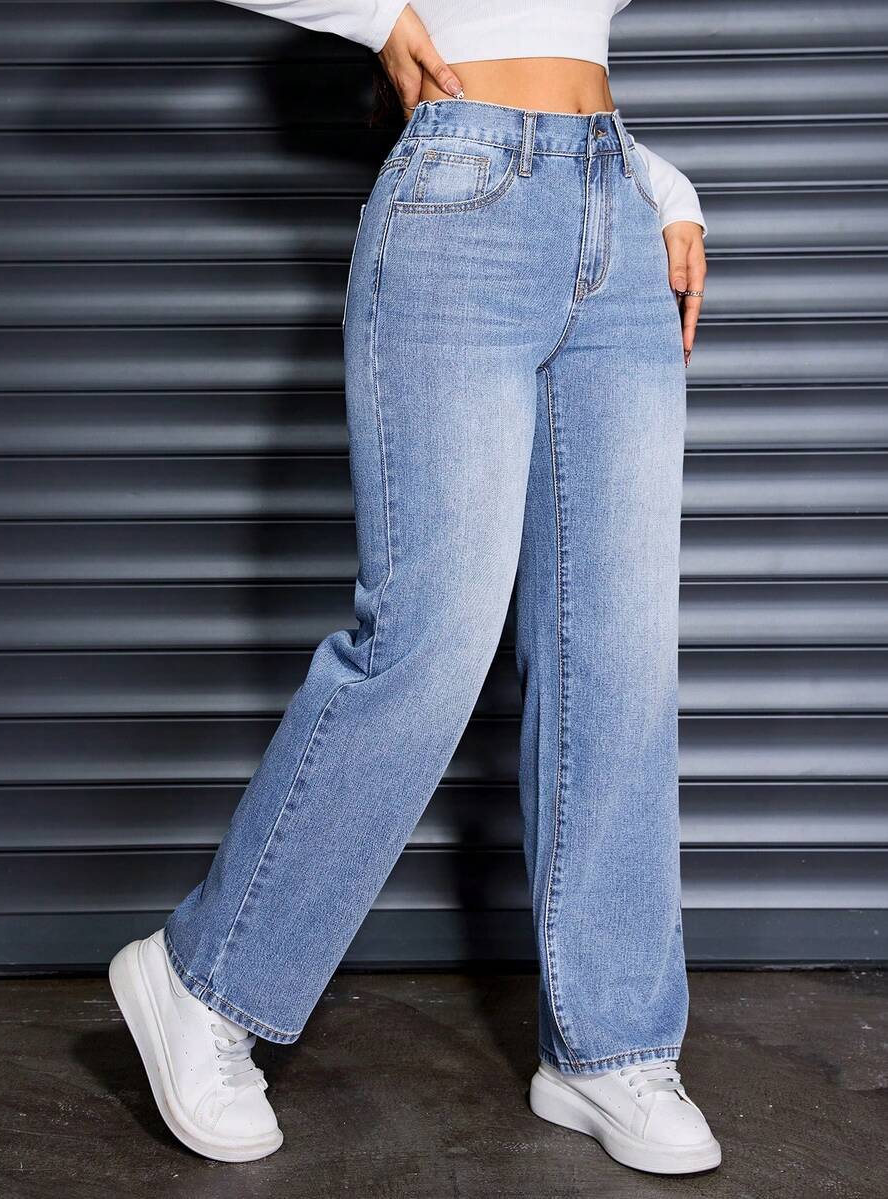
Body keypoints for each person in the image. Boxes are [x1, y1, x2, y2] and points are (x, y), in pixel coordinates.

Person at [108, 0, 719, 1176]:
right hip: (460, 206)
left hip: (616, 213)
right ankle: (203, 980)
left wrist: (661, 186)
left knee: (620, 656)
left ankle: (608, 1047)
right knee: (430, 642)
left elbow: (564, 44)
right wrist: (369, 11)